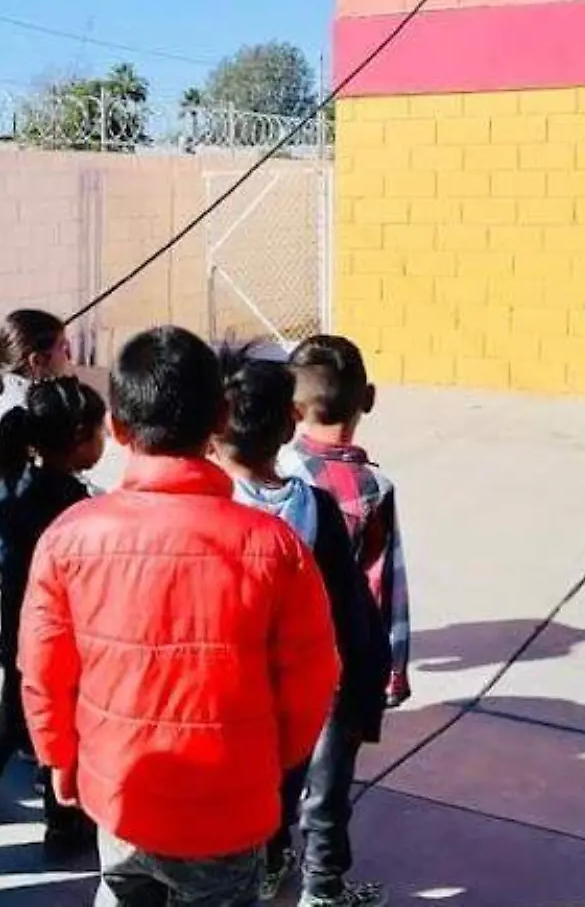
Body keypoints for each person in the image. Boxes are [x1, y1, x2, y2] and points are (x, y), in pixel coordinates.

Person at [20, 326, 341, 907]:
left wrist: (60, 758)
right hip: (225, 810)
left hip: (121, 794)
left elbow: (43, 672)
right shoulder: (275, 547)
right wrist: (268, 765)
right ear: (221, 417)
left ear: (117, 427)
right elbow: (313, 678)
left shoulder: (69, 538)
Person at [215, 351, 393, 906]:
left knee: (259, 788)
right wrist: (368, 690)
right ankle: (322, 889)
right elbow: (355, 610)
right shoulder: (314, 507)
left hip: (238, 687)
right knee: (323, 791)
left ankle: (266, 866)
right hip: (318, 682)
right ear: (290, 423)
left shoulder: (209, 506)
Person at [0, 375, 102, 855]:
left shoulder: (12, 478)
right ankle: (62, 829)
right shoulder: (75, 505)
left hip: (17, 620)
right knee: (63, 721)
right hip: (61, 631)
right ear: (79, 439)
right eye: (98, 432)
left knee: (16, 707)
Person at [282, 334, 414, 712]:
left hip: (280, 656)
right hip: (341, 662)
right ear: (368, 399)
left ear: (291, 408)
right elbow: (384, 586)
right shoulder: (373, 490)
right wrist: (392, 674)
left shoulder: (273, 474)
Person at [0, 308, 72, 489]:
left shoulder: (4, 391)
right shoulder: (29, 412)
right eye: (63, 347)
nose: (69, 356)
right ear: (36, 361)